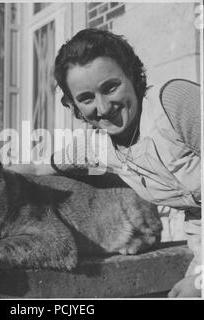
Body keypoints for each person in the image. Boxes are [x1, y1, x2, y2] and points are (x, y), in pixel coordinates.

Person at [12, 29, 202, 297]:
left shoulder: (173, 103)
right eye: (86, 98)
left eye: (111, 87)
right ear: (75, 107)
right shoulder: (97, 143)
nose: (102, 107)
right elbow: (39, 168)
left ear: (132, 76)